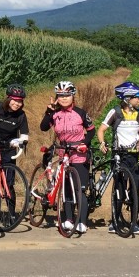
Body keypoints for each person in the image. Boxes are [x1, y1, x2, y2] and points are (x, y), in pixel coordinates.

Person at [41, 80, 95, 234]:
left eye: (67, 95)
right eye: (60, 95)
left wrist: (84, 143)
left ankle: (82, 222)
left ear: (73, 96)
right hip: (63, 154)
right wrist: (49, 112)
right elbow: (43, 127)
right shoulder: (55, 113)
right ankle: (69, 219)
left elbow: (91, 131)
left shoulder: (81, 113)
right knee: (66, 190)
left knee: (80, 189)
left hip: (79, 154)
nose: (64, 98)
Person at [97, 81, 139, 234]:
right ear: (126, 98)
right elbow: (101, 130)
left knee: (135, 189)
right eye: (136, 97)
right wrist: (102, 143)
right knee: (119, 188)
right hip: (119, 154)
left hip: (134, 155)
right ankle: (115, 220)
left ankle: (134, 222)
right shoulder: (116, 112)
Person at [0, 84, 30, 221]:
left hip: (8, 148)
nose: (17, 104)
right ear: (8, 99)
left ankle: (11, 213)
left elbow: (25, 135)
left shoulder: (21, 115)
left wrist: (19, 142)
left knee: (8, 183)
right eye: (15, 100)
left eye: (20, 101)